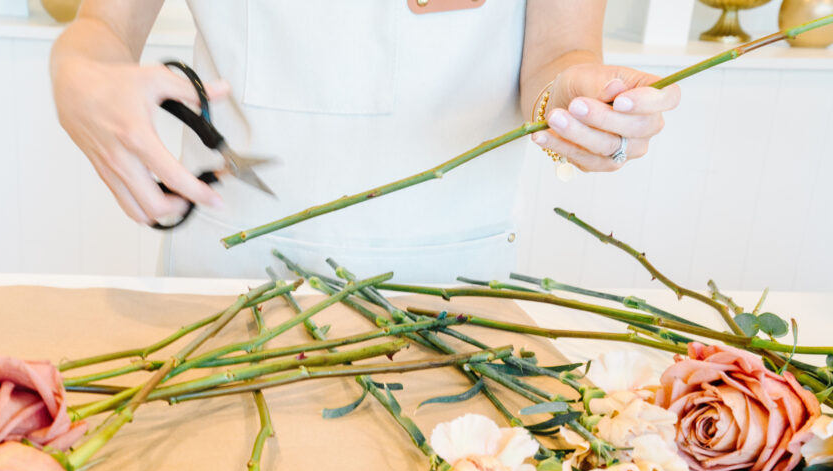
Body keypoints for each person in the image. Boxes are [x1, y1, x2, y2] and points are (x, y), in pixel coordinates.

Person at [51, 1, 680, 281]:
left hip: (448, 293)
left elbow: (557, 56)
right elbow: (100, 26)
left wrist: (575, 102)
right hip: (228, 280)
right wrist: (78, 77)